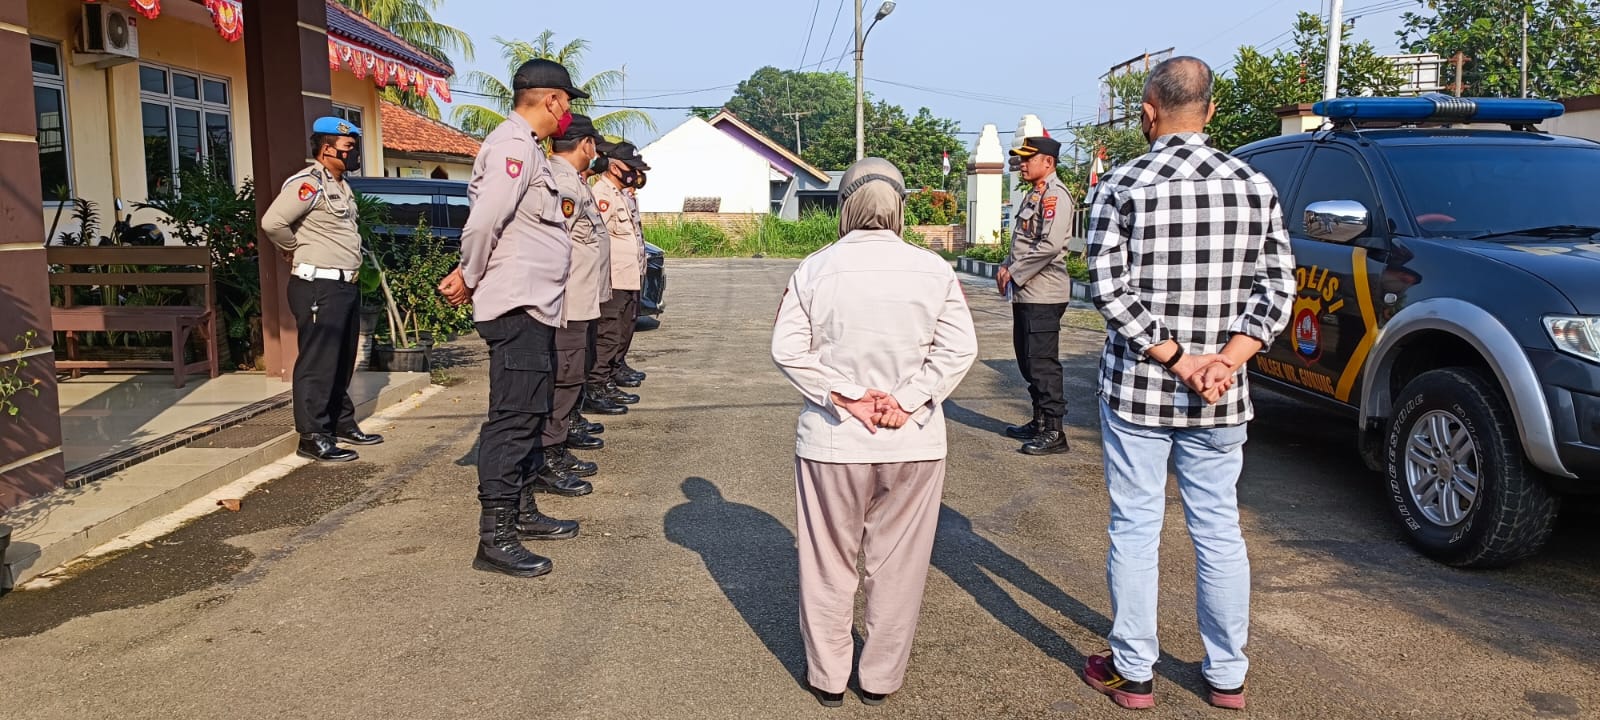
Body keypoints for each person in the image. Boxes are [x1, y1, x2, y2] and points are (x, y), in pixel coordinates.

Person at [1081, 56, 1295, 711]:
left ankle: (1134, 672)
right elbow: (1278, 286)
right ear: (1211, 110)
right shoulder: (1253, 185)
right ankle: (1227, 676)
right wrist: (1223, 362)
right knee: (1219, 530)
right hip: (1220, 395)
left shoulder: (1121, 185)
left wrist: (1176, 359)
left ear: (1149, 112)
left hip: (1141, 393)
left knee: (1137, 528)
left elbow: (1109, 291)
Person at [771, 158, 978, 708]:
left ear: (846, 205)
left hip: (833, 442)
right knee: (899, 568)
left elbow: (787, 348)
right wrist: (907, 400)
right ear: (900, 207)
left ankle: (829, 677)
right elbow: (959, 349)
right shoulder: (933, 269)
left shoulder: (814, 269)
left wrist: (845, 396)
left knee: (826, 563)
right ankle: (881, 679)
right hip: (914, 441)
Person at [440, 58, 591, 578]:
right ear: (551, 100)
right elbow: (484, 222)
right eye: (566, 101)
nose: (568, 112)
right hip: (517, 304)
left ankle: (522, 510)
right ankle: (495, 536)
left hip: (538, 305)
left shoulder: (528, 150)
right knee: (512, 419)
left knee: (531, 413)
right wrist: (470, 273)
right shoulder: (511, 146)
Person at [261, 116, 383, 463]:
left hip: (343, 284)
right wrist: (291, 247)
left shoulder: (340, 184)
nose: (353, 153)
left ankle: (340, 422)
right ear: (326, 149)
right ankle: (313, 435)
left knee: (342, 360)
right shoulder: (308, 184)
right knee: (318, 362)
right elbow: (273, 222)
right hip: (318, 285)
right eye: (347, 148)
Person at [541, 113, 610, 483]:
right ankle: (549, 455)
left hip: (579, 301)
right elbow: (557, 247)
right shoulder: (563, 185)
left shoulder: (574, 182)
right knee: (563, 378)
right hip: (566, 303)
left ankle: (558, 443)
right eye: (593, 144)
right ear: (585, 145)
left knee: (570, 376)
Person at [997, 135, 1074, 456]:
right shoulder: (1034, 195)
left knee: (1042, 363)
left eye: (1028, 159)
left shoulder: (1056, 196)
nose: (1022, 164)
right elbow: (1023, 243)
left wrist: (1014, 272)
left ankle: (1055, 431)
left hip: (1044, 293)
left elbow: (1050, 246)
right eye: (1021, 159)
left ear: (1048, 162)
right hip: (1028, 294)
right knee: (1027, 360)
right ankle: (1040, 420)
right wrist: (1005, 265)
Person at [587, 142, 645, 411]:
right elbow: (597, 237)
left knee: (621, 331)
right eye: (630, 168)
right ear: (614, 166)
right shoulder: (602, 194)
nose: (634, 173)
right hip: (613, 279)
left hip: (628, 277)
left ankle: (609, 379)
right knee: (607, 334)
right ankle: (597, 386)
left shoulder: (621, 193)